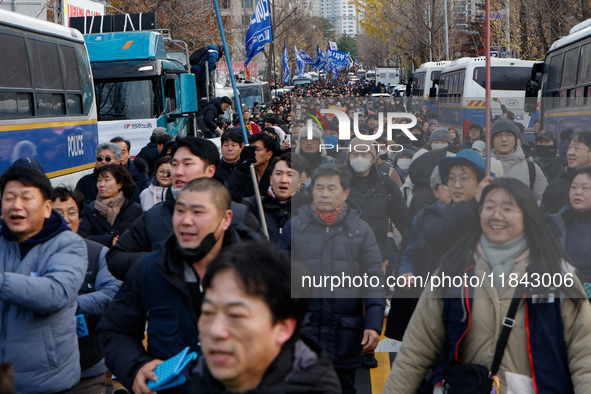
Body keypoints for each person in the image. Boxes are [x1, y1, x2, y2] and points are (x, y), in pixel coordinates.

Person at [383, 177, 591, 394]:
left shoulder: (556, 272)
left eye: (507, 208)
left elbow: (585, 356)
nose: (496, 215)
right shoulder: (454, 269)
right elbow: (415, 351)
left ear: (528, 216)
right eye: (489, 207)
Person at [97, 178, 259, 394]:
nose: (186, 221)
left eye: (198, 212)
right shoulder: (149, 269)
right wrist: (136, 367)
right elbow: (115, 330)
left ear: (225, 219)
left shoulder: (259, 271)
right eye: (180, 211)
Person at [182, 241, 341, 394]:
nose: (215, 331)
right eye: (208, 312)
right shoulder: (192, 380)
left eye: (235, 315)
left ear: (284, 328)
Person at [286, 164, 385, 394]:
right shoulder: (295, 228)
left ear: (346, 193)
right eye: (319, 187)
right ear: (312, 191)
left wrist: (373, 324)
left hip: (346, 333)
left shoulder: (361, 231)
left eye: (332, 188)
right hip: (305, 332)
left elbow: (373, 281)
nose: (324, 193)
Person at [106, 137, 261, 280]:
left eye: (187, 164)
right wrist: (164, 260)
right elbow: (116, 258)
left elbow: (265, 266)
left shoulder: (238, 214)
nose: (178, 172)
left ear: (210, 171)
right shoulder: (154, 215)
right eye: (174, 164)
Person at [0, 165, 87, 393]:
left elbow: (55, 293)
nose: (16, 205)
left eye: (26, 197)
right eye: (9, 197)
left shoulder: (69, 244)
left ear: (48, 208)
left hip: (48, 383)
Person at [51, 187, 122, 394]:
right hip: (44, 372)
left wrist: (65, 303)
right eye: (58, 212)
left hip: (89, 369)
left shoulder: (98, 252)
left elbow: (111, 294)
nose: (66, 218)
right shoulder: (31, 254)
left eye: (72, 212)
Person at [78, 164, 143, 247]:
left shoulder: (135, 210)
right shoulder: (89, 210)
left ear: (120, 184)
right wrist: (109, 239)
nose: (101, 184)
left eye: (107, 180)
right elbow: (82, 237)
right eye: (99, 180)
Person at [548, 166, 591, 286]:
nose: (577, 192)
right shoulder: (556, 223)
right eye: (573, 187)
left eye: (585, 188)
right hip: (562, 291)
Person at [491, 117, 547, 203]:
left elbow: (543, 200)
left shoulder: (531, 168)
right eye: (498, 135)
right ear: (492, 139)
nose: (503, 139)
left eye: (508, 135)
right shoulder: (483, 166)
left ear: (516, 139)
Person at [242, 154, 293, 243]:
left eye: (290, 175)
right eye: (278, 173)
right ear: (271, 179)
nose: (283, 180)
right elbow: (229, 205)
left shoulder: (306, 209)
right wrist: (240, 171)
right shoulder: (255, 203)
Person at [541, 131, 591, 214]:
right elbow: (545, 222)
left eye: (576, 148)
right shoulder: (556, 186)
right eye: (569, 148)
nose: (570, 153)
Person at [226, 132, 276, 202]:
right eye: (251, 149)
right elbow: (230, 197)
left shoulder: (277, 173)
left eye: (257, 149)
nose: (252, 153)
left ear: (269, 154)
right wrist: (241, 170)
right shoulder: (242, 172)